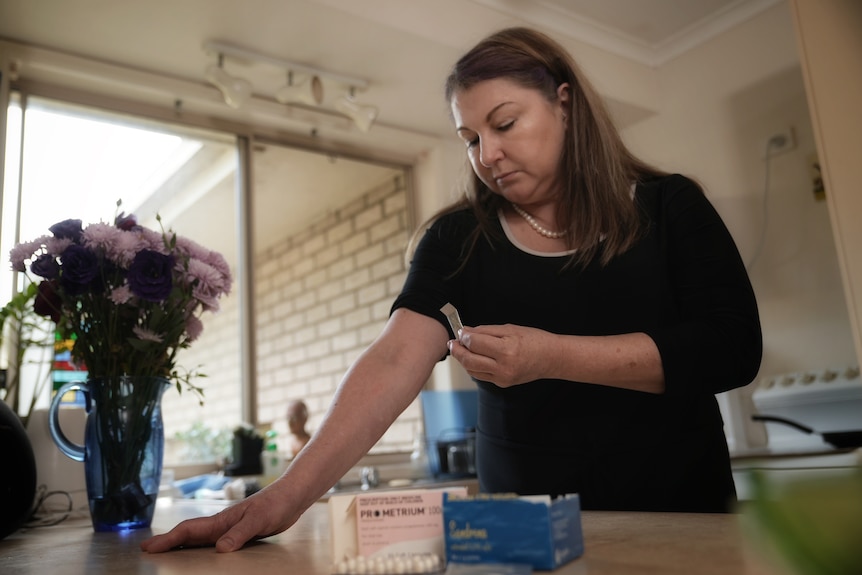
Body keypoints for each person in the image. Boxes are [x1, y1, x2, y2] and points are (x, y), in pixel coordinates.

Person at [141, 26, 761, 554]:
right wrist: (284, 498)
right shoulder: (459, 239)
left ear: (565, 104)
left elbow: (732, 347)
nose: (487, 153)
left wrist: (551, 356)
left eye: (505, 123)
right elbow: (394, 358)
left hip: (682, 517)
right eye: (469, 139)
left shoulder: (668, 206)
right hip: (524, 532)